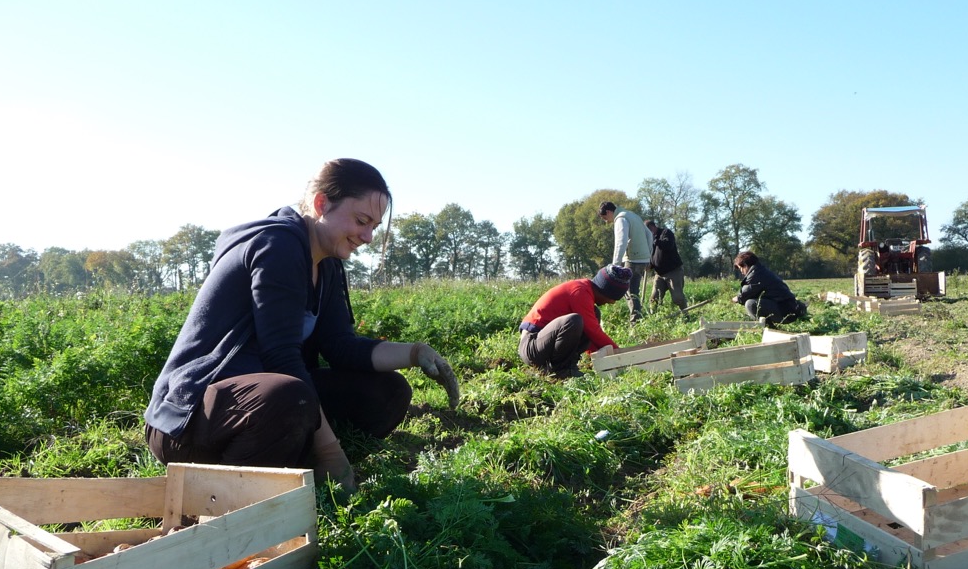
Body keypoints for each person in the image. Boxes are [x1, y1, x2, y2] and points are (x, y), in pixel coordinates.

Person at [144, 157, 459, 493]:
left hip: (264, 406)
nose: (367, 236)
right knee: (291, 395)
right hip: (191, 423)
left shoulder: (327, 263)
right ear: (322, 203)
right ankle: (221, 495)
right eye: (361, 221)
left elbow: (340, 346)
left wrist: (414, 353)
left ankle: (296, 472)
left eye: (374, 227)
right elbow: (282, 357)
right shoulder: (277, 245)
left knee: (387, 392)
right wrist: (329, 449)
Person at [519, 264, 632, 377]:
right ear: (606, 291)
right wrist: (621, 355)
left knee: (593, 314)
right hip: (531, 347)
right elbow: (593, 331)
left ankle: (565, 365)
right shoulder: (580, 292)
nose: (612, 303)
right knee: (573, 321)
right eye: (613, 298)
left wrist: (600, 357)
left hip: (543, 346)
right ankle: (561, 370)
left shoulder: (585, 291)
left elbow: (591, 336)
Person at [598, 201, 652, 324]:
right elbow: (649, 235)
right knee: (633, 290)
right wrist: (648, 255)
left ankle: (635, 322)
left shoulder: (620, 219)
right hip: (642, 259)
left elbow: (620, 243)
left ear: (608, 212)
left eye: (605, 218)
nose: (606, 221)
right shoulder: (633, 215)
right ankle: (638, 318)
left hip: (633, 259)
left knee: (629, 291)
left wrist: (615, 266)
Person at [731, 250, 808, 327]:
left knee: (750, 304)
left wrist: (737, 298)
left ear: (745, 265)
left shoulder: (755, 275)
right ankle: (770, 327)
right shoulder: (761, 270)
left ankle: (768, 329)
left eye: (740, 268)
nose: (741, 272)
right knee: (754, 302)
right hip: (789, 307)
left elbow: (745, 295)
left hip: (786, 311)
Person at [644, 219, 689, 314]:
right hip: (659, 274)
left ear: (652, 227)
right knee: (654, 298)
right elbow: (654, 256)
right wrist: (650, 265)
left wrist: (653, 239)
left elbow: (668, 246)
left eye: (647, 232)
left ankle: (686, 315)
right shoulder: (651, 240)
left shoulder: (666, 232)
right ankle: (652, 319)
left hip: (673, 271)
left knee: (678, 297)